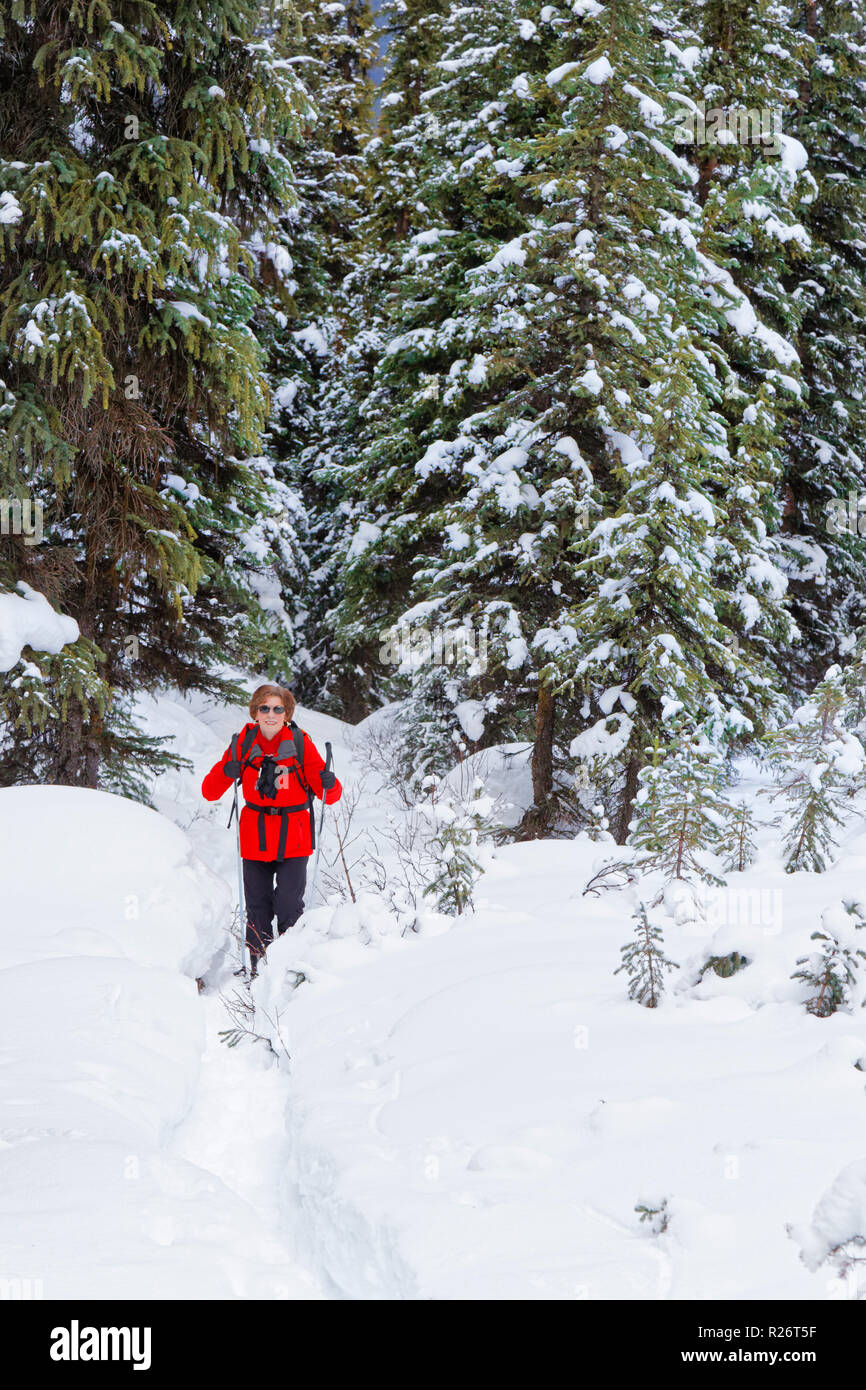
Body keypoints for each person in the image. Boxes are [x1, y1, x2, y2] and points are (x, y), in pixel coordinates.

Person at [201, 683, 342, 976]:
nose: (271, 714)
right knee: (258, 906)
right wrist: (226, 771)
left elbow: (330, 793)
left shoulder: (300, 742)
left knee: (290, 904)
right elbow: (210, 791)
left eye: (278, 708)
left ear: (287, 714)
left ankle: (289, 967)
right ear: (255, 711)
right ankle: (259, 968)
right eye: (264, 708)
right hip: (255, 837)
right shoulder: (243, 743)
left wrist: (330, 782)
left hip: (294, 836)